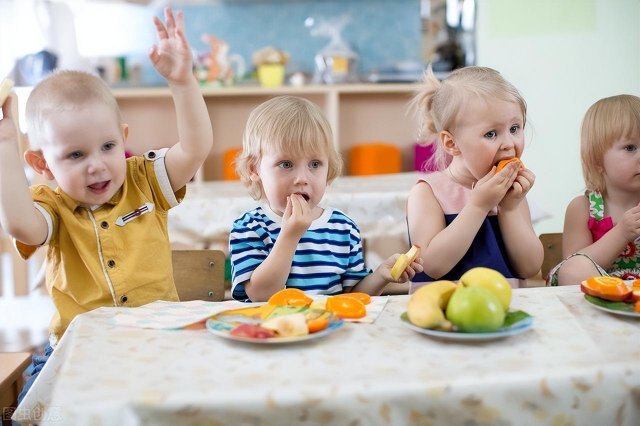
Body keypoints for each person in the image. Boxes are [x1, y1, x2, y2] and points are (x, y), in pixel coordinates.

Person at [0, 8, 212, 401]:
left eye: (108, 146)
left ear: (123, 137)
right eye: (75, 155)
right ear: (42, 164)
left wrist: (183, 82)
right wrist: (5, 144)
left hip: (157, 340)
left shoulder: (143, 179)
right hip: (77, 348)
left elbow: (196, 148)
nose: (97, 164)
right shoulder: (52, 204)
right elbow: (20, 226)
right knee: (32, 411)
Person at [229, 95, 422, 302]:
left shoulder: (343, 228)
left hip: (329, 331)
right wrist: (290, 236)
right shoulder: (249, 228)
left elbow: (352, 298)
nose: (302, 178)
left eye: (314, 164)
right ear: (254, 168)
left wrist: (381, 276)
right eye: (286, 164)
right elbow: (261, 295)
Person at [407, 66, 543, 292]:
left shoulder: (511, 193)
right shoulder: (429, 192)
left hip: (502, 313)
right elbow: (432, 265)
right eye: (491, 134)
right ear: (452, 143)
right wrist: (479, 206)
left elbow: (529, 267)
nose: (509, 143)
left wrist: (510, 208)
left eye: (515, 128)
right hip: (443, 316)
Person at [548, 95, 640, 285]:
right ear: (597, 161)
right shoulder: (583, 207)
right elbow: (575, 266)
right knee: (573, 269)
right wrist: (622, 233)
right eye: (630, 147)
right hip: (604, 291)